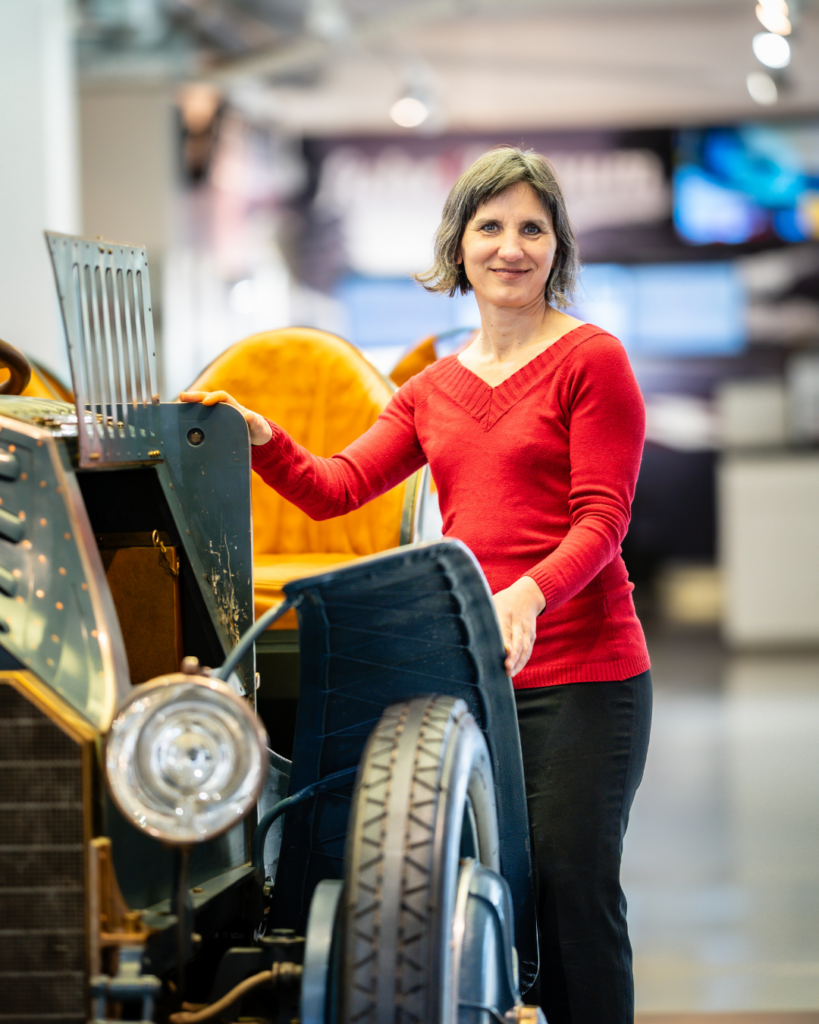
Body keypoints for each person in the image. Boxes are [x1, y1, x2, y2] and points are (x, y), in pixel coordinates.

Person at [180, 146, 651, 1024]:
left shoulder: (593, 360)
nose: (510, 247)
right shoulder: (431, 387)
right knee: (499, 893)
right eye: (490, 227)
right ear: (459, 244)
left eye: (531, 229)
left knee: (571, 888)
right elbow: (335, 489)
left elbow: (601, 520)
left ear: (557, 247)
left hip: (587, 673)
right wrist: (259, 434)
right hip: (477, 674)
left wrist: (523, 596)